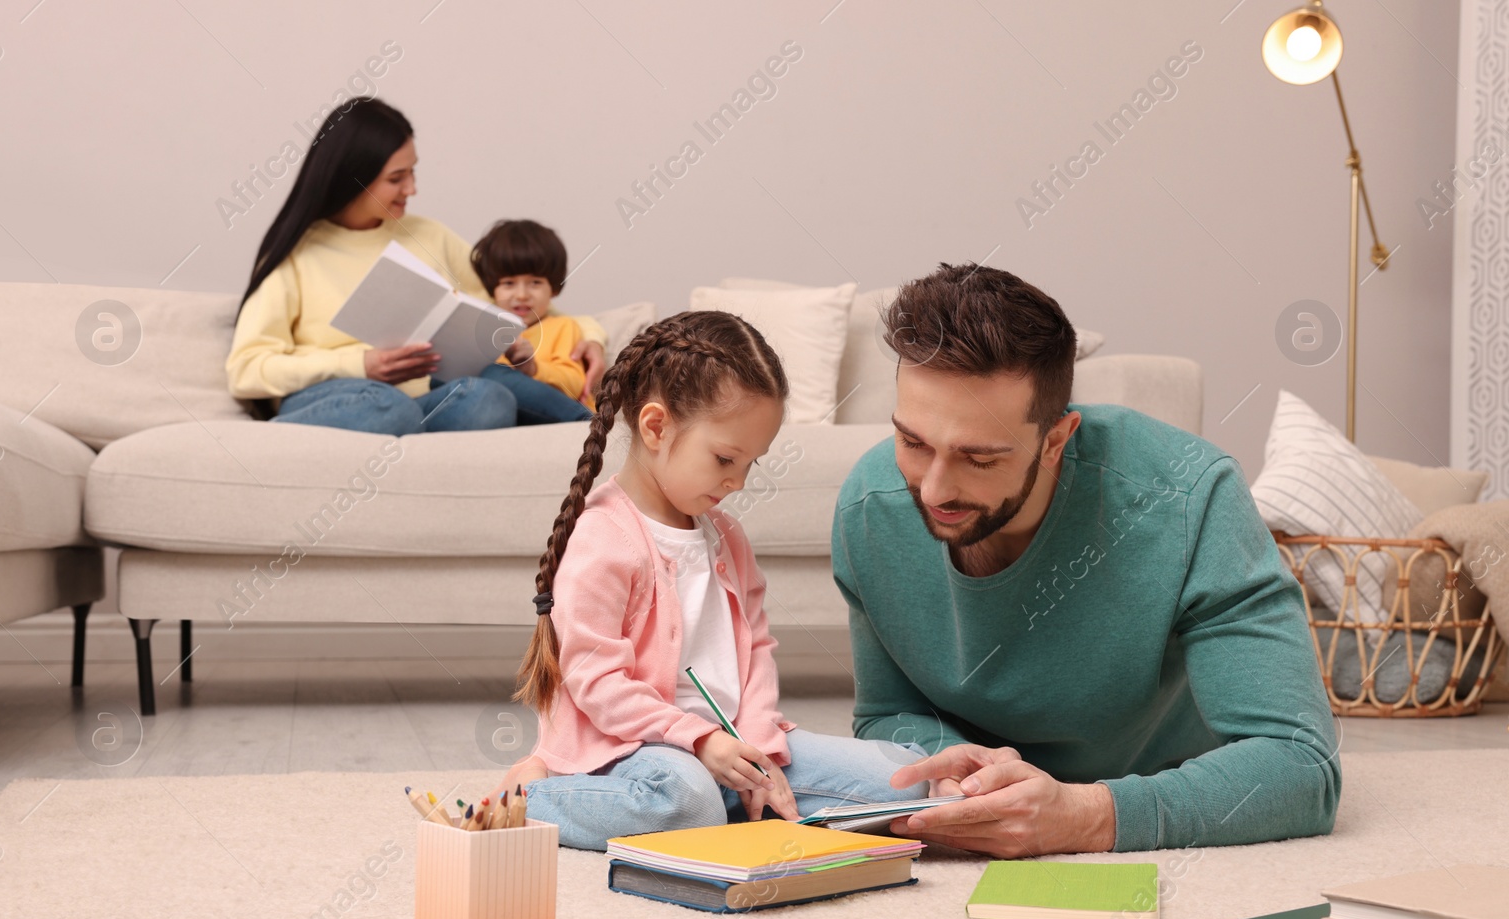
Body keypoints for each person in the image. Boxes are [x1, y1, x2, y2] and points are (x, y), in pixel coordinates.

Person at [833, 262, 1341, 856]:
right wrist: (949, 765)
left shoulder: (1192, 498)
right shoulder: (870, 506)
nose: (933, 490)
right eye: (913, 442)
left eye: (980, 458)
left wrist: (1087, 817)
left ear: (1056, 440)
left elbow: (1303, 765)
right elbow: (888, 711)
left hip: (1160, 777)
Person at [500, 311, 928, 850]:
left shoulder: (725, 535)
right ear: (656, 428)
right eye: (726, 458)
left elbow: (757, 648)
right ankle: (531, 799)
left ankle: (733, 804)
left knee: (911, 777)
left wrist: (760, 746)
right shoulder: (602, 538)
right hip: (633, 751)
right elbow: (597, 683)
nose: (739, 481)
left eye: (752, 463)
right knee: (687, 799)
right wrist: (700, 740)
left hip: (729, 751)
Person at [226, 97, 608, 434]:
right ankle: (297, 432)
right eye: (396, 178)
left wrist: (590, 335)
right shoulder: (295, 256)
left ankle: (589, 433)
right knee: (386, 407)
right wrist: (360, 364)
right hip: (342, 394)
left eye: (412, 172)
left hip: (426, 397)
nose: (412, 189)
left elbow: (515, 301)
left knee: (488, 396)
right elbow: (247, 369)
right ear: (351, 179)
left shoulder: (430, 236)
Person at [470, 219, 597, 425]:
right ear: (492, 289)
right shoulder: (486, 333)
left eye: (535, 283)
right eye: (508, 283)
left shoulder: (562, 326)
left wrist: (532, 369)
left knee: (494, 374)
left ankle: (591, 426)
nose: (521, 295)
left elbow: (575, 384)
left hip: (562, 413)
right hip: (510, 413)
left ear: (554, 288)